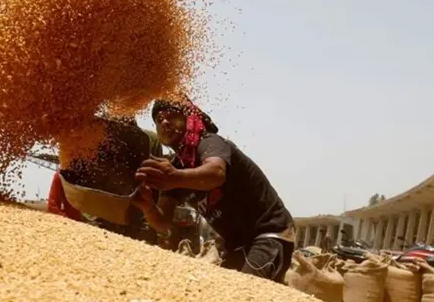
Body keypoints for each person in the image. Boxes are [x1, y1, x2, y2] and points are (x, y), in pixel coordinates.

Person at [132, 97, 295, 283]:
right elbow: (162, 221)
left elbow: (216, 173)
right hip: (236, 244)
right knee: (220, 297)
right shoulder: (177, 166)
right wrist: (148, 206)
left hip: (268, 234)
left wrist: (174, 177)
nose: (165, 122)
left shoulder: (209, 143)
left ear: (189, 119)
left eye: (171, 116)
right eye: (159, 119)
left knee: (246, 294)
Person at [47, 115, 163, 241]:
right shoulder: (93, 133)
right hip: (97, 223)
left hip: (138, 220)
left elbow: (158, 188)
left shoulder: (150, 140)